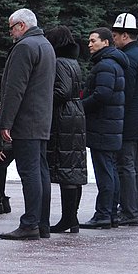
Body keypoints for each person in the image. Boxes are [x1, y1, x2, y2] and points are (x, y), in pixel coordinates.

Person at [0, 8, 56, 241]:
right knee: (41, 171)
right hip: (41, 119)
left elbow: (15, 89)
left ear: (22, 26)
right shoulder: (46, 45)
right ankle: (42, 223)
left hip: (26, 120)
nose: (11, 33)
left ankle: (30, 223)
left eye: (12, 28)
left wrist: (6, 122)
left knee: (30, 172)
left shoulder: (24, 47)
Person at [79, 28, 127, 229]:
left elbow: (101, 95)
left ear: (106, 43)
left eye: (93, 41)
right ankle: (110, 214)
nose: (89, 44)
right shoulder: (112, 63)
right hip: (109, 125)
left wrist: (79, 108)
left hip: (103, 126)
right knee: (110, 169)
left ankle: (103, 214)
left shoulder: (106, 65)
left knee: (105, 171)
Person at [44, 26, 87, 234]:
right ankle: (72, 218)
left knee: (66, 169)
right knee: (72, 168)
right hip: (75, 113)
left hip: (64, 117)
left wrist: (42, 97)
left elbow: (61, 91)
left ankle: (68, 218)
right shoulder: (72, 61)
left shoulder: (59, 62)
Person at [112, 13, 138, 227]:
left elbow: (125, 92)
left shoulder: (128, 58)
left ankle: (129, 211)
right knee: (137, 167)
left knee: (126, 166)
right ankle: (137, 211)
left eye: (115, 35)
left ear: (125, 35)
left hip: (130, 120)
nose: (113, 39)